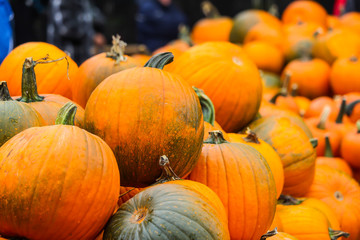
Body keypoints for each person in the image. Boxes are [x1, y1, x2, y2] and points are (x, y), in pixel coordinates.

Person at [47, 0, 106, 64]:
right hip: (65, 57)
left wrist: (98, 31)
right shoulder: (60, 2)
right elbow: (65, 28)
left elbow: (93, 15)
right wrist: (93, 35)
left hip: (83, 57)